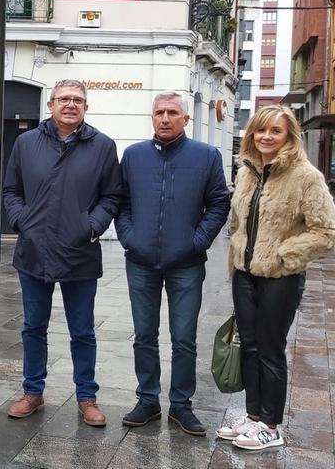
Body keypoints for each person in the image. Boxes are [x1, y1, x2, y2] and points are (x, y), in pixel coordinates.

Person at [2, 79, 121, 426]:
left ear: (86, 107)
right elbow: (11, 190)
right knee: (33, 327)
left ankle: (87, 397)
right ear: (51, 104)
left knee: (82, 329)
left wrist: (92, 226)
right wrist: (22, 220)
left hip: (79, 252)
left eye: (78, 100)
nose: (71, 105)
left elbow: (112, 196)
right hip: (34, 251)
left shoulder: (102, 146)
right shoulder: (26, 143)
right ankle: (32, 392)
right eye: (64, 99)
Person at [216, 105, 335, 449]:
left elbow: (325, 231)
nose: (266, 137)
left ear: (289, 136)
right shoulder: (249, 172)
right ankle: (252, 416)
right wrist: (239, 250)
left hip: (280, 277)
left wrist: (284, 255)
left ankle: (271, 424)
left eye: (275, 131)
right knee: (249, 346)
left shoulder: (305, 176)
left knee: (270, 349)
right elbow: (240, 222)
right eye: (260, 130)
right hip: (244, 273)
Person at [115, 92, 231, 436]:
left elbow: (219, 204)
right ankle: (148, 400)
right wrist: (130, 238)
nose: (165, 118)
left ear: (185, 119)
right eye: (159, 113)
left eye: (172, 113)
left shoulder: (207, 156)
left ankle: (181, 405)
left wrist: (196, 243)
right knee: (144, 336)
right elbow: (120, 203)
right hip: (140, 262)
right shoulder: (134, 156)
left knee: (184, 338)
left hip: (186, 264)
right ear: (152, 118)